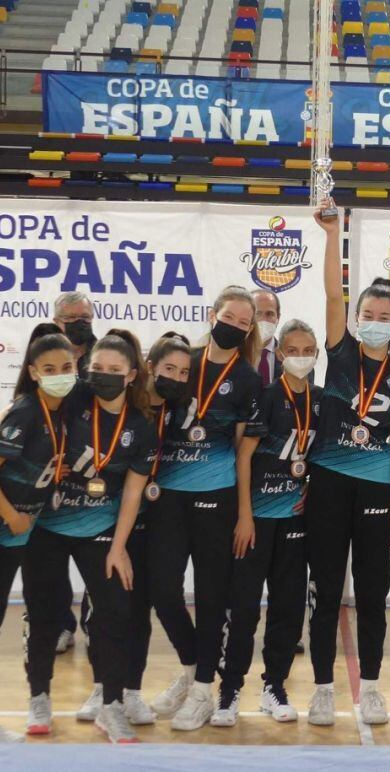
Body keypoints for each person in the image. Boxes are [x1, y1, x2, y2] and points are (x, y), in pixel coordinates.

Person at [306, 202, 390, 727]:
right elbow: (333, 292)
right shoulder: (341, 352)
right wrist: (334, 235)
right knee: (326, 589)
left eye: (382, 318)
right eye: (366, 316)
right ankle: (324, 688)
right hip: (329, 485)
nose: (373, 323)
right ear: (356, 320)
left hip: (376, 493)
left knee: (371, 593)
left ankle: (370, 687)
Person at [22, 330, 157, 744]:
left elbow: (133, 491)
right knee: (44, 614)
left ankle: (111, 705)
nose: (104, 376)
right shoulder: (72, 401)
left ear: (132, 375)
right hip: (46, 526)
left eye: (114, 371)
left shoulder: (140, 426)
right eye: (97, 369)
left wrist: (119, 547)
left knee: (116, 614)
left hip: (98, 529)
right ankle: (39, 697)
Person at [0, 327, 75, 750]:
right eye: (50, 369)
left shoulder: (63, 412)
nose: (61, 374)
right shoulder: (25, 413)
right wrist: (11, 516)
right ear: (34, 373)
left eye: (67, 367)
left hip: (12, 540)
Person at [146, 287, 263, 731]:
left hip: (217, 498)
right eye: (228, 317)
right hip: (168, 497)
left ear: (249, 330)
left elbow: (242, 454)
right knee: (162, 590)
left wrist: (244, 513)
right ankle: (193, 664)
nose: (233, 326)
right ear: (212, 315)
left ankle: (201, 690)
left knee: (213, 598)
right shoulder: (182, 360)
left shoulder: (249, 379)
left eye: (243, 323)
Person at [73, 333, 193, 728]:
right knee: (102, 607)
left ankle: (132, 691)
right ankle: (101, 685)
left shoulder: (179, 410)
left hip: (153, 521)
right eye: (167, 368)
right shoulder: (125, 403)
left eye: (181, 371)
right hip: (110, 519)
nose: (174, 377)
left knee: (140, 607)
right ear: (148, 368)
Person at [215, 319, 320, 726]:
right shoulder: (265, 397)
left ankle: (274, 686)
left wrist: (312, 487)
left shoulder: (322, 400)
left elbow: (321, 457)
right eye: (291, 349)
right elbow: (243, 457)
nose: (299, 356)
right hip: (255, 519)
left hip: (294, 521)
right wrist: (243, 516)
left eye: (307, 349)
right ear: (279, 356)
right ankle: (230, 689)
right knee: (242, 608)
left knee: (288, 608)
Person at [50, 291, 99, 655]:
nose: (81, 322)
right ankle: (58, 624)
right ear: (57, 321)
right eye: (72, 317)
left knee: (95, 552)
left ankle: (93, 624)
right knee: (52, 556)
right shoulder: (44, 356)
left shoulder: (105, 355)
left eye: (86, 316)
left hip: (96, 468)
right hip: (53, 470)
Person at [252, 288, 282, 387]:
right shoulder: (233, 354)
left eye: (269, 314)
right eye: (257, 314)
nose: (263, 320)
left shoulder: (292, 357)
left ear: (278, 317)